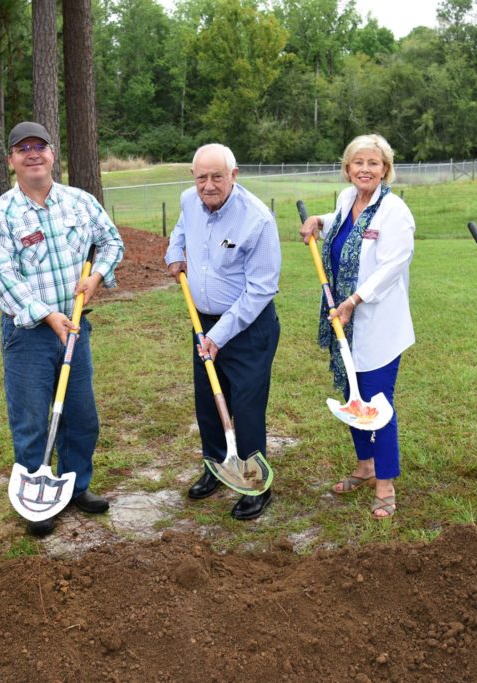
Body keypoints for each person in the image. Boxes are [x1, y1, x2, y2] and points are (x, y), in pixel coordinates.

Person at [0, 121, 125, 537]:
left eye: (39, 146)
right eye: (22, 148)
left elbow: (112, 242)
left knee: (81, 416)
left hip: (75, 328)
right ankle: (36, 501)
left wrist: (97, 276)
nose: (33, 154)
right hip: (28, 334)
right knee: (31, 420)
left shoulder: (80, 203)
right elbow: (3, 276)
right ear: (11, 160)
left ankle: (75, 486)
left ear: (52, 153)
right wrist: (47, 316)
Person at [299, 134, 415, 519]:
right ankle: (365, 467)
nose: (365, 170)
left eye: (374, 163)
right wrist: (318, 220)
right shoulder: (346, 199)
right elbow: (341, 227)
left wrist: (352, 301)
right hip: (343, 323)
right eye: (358, 163)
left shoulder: (395, 211)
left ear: (386, 169)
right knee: (352, 397)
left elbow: (392, 266)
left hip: (375, 323)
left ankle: (385, 484)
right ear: (347, 168)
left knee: (376, 404)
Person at [165, 143, 281, 520]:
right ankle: (215, 465)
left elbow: (261, 289)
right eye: (202, 177)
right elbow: (181, 230)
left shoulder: (257, 220)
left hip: (248, 328)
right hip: (204, 324)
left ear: (234, 174)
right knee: (208, 400)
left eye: (218, 176)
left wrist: (221, 335)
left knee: (245, 407)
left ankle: (255, 483)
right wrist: (174, 253)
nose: (209, 185)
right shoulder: (188, 200)